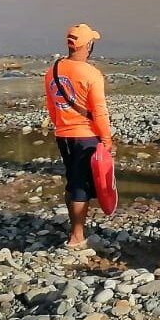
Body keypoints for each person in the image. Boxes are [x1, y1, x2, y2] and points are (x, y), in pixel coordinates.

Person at [44, 24, 114, 248]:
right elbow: (100, 111)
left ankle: (76, 227)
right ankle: (76, 237)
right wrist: (106, 139)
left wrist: (62, 126)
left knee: (72, 181)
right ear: (88, 45)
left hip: (63, 135)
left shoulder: (53, 70)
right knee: (81, 186)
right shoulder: (91, 74)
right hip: (86, 137)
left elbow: (51, 106)